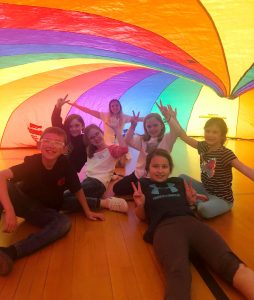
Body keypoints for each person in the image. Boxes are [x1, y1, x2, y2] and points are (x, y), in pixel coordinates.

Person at [132, 148, 254, 300]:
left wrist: (191, 202)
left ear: (170, 169)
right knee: (178, 273)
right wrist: (140, 205)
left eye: (165, 166)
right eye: (155, 166)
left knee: (229, 262)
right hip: (165, 228)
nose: (160, 170)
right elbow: (142, 217)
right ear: (148, 168)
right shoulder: (143, 184)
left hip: (192, 223)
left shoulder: (177, 182)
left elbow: (190, 208)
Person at [0, 127, 104, 276]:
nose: (51, 145)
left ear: (64, 149)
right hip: (25, 204)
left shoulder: (66, 165)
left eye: (57, 142)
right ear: (39, 145)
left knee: (64, 222)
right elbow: (1, 176)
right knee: (5, 187)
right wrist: (9, 210)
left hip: (46, 210)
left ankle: (10, 252)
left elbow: (77, 189)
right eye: (47, 141)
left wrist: (87, 211)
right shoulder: (32, 162)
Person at [170, 116, 254, 218]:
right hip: (205, 190)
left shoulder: (225, 154)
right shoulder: (203, 147)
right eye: (207, 131)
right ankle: (197, 199)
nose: (210, 135)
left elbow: (244, 168)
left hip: (222, 199)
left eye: (215, 132)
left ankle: (195, 201)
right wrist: (172, 119)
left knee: (204, 210)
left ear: (222, 136)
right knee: (181, 178)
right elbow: (184, 136)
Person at [113, 102, 177, 196]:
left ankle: (147, 191)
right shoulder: (142, 139)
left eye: (155, 125)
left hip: (156, 176)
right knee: (117, 188)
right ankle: (145, 191)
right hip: (138, 174)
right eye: (149, 126)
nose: (152, 129)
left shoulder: (167, 139)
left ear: (162, 125)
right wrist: (133, 126)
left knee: (144, 189)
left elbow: (176, 131)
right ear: (145, 128)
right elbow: (127, 140)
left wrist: (170, 118)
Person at [63, 122, 129, 214]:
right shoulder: (90, 150)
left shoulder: (111, 149)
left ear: (101, 132)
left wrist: (117, 130)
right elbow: (99, 166)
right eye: (92, 137)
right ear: (89, 141)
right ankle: (98, 202)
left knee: (63, 197)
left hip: (97, 184)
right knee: (65, 197)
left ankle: (105, 203)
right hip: (88, 182)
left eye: (97, 134)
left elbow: (124, 150)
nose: (96, 138)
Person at [68, 98, 143, 145]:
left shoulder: (124, 117)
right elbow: (89, 111)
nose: (115, 107)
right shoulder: (105, 115)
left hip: (119, 142)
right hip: (107, 142)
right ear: (110, 108)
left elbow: (140, 119)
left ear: (120, 107)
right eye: (112, 106)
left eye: (117, 105)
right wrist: (76, 106)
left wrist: (153, 116)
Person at [51, 95, 87, 173]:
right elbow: (56, 121)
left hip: (76, 173)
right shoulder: (66, 136)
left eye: (77, 126)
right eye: (70, 126)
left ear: (82, 126)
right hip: (60, 170)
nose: (73, 129)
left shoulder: (85, 139)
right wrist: (58, 107)